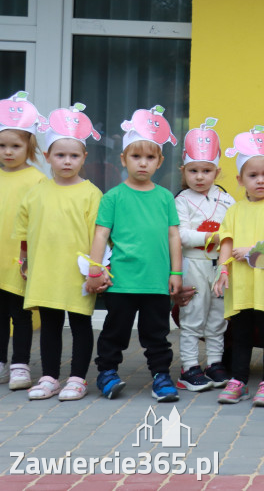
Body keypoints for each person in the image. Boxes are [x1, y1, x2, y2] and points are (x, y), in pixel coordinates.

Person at [87, 106, 183, 402]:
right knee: (114, 331)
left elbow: (173, 236)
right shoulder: (113, 196)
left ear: (160, 162)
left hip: (156, 282)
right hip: (122, 281)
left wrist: (176, 272)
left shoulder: (165, 197)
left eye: (150, 157)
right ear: (123, 159)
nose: (143, 163)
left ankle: (161, 376)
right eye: (136, 156)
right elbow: (101, 234)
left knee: (156, 335)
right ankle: (106, 372)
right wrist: (94, 268)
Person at [14, 103, 101, 400]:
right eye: (60, 155)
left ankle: (77, 378)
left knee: (79, 323)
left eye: (74, 155)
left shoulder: (91, 194)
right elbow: (24, 232)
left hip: (77, 274)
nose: (67, 161)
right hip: (46, 271)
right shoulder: (36, 191)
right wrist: (24, 262)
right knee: (50, 325)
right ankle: (50, 376)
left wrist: (95, 270)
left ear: (84, 158)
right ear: (48, 156)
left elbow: (99, 237)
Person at [212, 126, 264, 407]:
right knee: (241, 335)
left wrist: (252, 250)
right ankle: (238, 381)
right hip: (242, 286)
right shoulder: (234, 210)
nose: (261, 180)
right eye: (253, 175)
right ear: (240, 179)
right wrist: (223, 270)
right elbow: (226, 240)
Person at [174, 119, 235, 392]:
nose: (200, 177)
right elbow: (180, 235)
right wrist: (213, 237)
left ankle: (214, 363)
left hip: (219, 266)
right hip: (194, 264)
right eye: (193, 170)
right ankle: (189, 367)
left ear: (217, 171)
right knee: (193, 316)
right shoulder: (181, 200)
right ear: (183, 170)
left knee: (217, 316)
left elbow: (235, 227)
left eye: (206, 171)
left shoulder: (227, 200)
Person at [0, 91, 46, 392]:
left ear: (28, 147)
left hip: (19, 259)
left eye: (15, 146)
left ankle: (20, 364)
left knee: (21, 313)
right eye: (2, 146)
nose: (7, 152)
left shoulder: (37, 180)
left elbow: (40, 223)